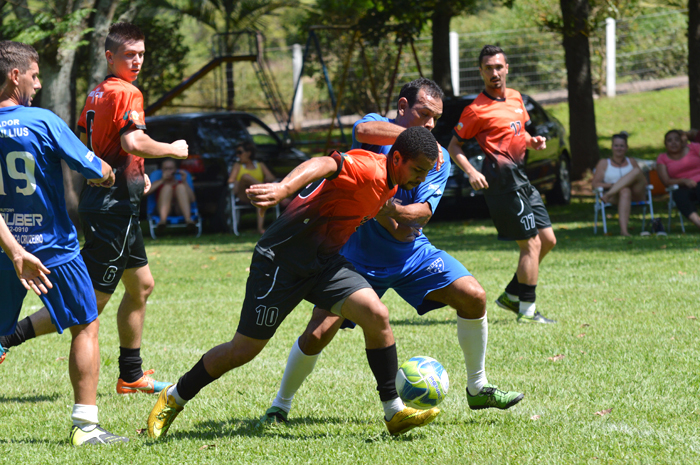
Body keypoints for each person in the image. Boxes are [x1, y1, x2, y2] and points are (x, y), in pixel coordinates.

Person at [147, 127, 441, 439]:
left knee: (376, 314)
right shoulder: (368, 168)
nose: (421, 179)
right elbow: (327, 164)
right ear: (397, 158)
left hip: (323, 263)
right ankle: (174, 397)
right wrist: (283, 187)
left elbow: (377, 210)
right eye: (418, 170)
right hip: (280, 260)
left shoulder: (390, 186)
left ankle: (394, 412)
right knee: (243, 350)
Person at [260, 78, 523, 425]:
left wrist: (383, 207)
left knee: (473, 295)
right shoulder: (373, 130)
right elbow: (365, 128)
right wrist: (389, 211)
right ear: (402, 107)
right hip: (355, 258)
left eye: (436, 119)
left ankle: (478, 387)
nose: (430, 125)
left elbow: (422, 215)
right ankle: (280, 405)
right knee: (318, 332)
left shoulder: (437, 158)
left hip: (410, 254)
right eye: (423, 114)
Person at [0, 23, 188, 395]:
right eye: (129, 54)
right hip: (110, 206)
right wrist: (172, 149)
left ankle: (130, 374)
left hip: (114, 199)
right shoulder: (127, 92)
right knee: (89, 304)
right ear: (110, 57)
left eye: (141, 54)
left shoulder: (96, 93)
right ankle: (10, 338)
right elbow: (130, 141)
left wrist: (135, 175)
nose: (137, 62)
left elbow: (93, 143)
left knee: (141, 286)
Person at [0, 40, 127, 445]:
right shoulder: (42, 121)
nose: (37, 85)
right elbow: (92, 166)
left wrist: (15, 251)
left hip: (5, 251)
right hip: (53, 248)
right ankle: (86, 428)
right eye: (34, 76)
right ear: (14, 75)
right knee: (85, 325)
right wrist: (106, 172)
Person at [447, 45, 557, 324]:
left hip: (523, 179)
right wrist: (471, 170)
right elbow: (453, 145)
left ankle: (511, 294)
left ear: (507, 68)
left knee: (547, 240)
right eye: (488, 68)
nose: (494, 73)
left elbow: (521, 134)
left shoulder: (517, 98)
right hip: (502, 184)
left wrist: (534, 141)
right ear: (481, 72)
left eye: (498, 67)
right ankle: (528, 311)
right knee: (530, 244)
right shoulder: (475, 110)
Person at [591, 132, 648, 236]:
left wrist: (623, 184)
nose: (619, 148)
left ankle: (608, 195)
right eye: (616, 145)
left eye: (622, 146)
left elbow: (643, 181)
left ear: (626, 147)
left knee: (636, 171)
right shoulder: (604, 163)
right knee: (624, 190)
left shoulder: (632, 161)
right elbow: (595, 184)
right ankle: (624, 231)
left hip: (636, 194)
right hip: (616, 197)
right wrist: (613, 186)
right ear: (612, 147)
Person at [226, 141, 276, 234]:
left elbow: (272, 177)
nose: (238, 155)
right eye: (237, 153)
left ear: (248, 153)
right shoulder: (237, 166)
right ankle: (265, 189)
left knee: (259, 198)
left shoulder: (259, 165)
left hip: (256, 194)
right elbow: (230, 181)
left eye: (240, 152)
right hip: (243, 194)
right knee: (245, 177)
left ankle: (260, 229)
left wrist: (268, 178)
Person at [656, 129, 700, 230]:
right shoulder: (662, 158)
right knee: (679, 196)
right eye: (669, 140)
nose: (673, 143)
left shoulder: (694, 147)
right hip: (682, 187)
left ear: (682, 142)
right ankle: (698, 222)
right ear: (665, 144)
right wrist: (684, 181)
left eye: (676, 139)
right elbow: (666, 181)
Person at [146, 158, 197, 234]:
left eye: (171, 169)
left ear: (175, 170)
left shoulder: (180, 182)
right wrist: (163, 180)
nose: (168, 171)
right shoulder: (158, 182)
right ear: (161, 170)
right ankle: (162, 221)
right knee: (167, 187)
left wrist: (184, 182)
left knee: (180, 187)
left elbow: (192, 200)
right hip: (162, 209)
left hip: (179, 209)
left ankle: (188, 220)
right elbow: (146, 192)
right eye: (166, 169)